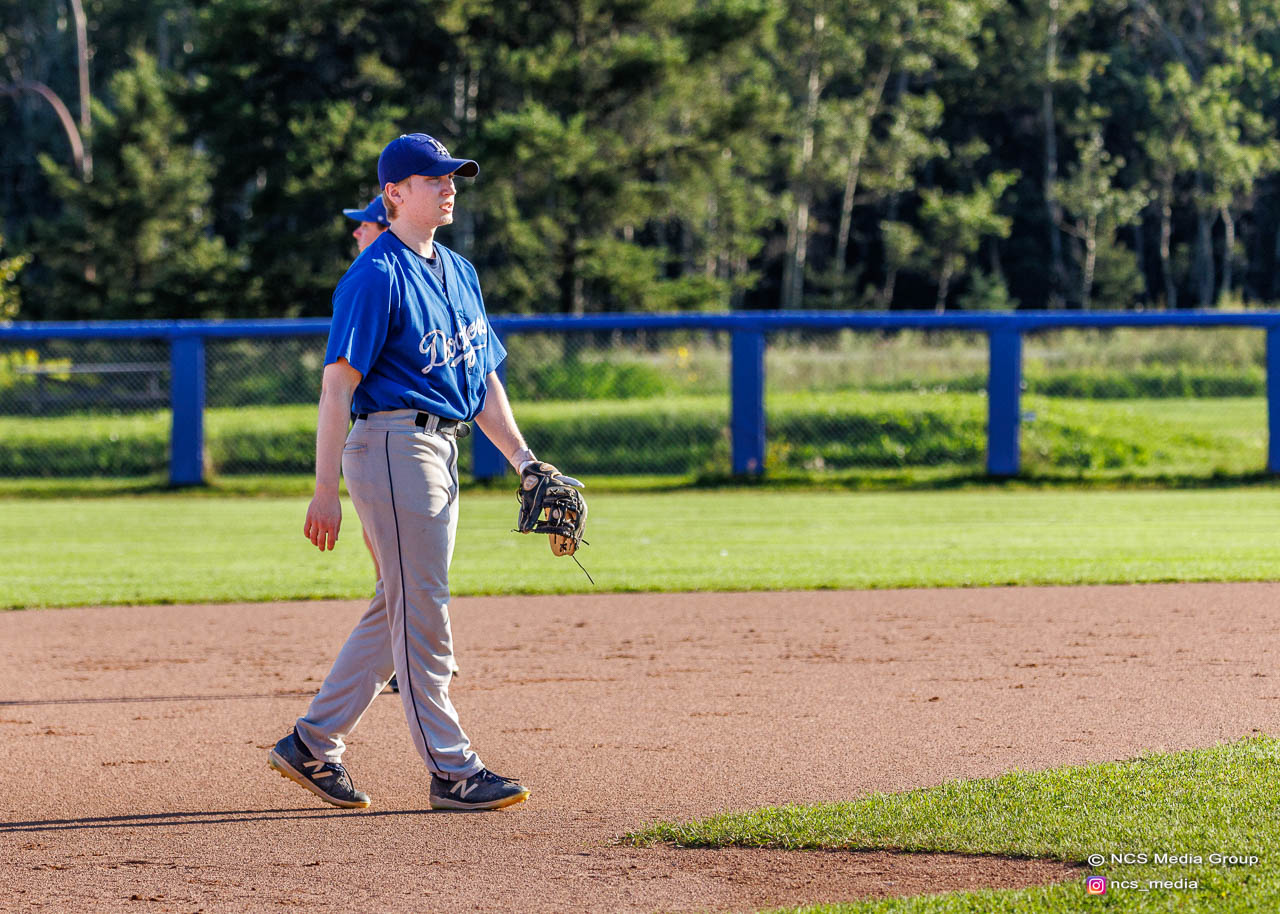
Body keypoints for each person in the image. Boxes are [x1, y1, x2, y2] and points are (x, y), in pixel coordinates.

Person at [269, 132, 559, 811]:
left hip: (439, 448)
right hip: (392, 444)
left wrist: (524, 459)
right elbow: (337, 387)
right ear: (395, 193)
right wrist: (324, 490)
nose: (450, 186)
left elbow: (481, 380)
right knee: (424, 610)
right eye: (434, 178)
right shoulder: (374, 275)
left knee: (396, 604)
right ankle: (452, 770)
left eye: (452, 177)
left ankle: (311, 744)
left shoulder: (459, 270)